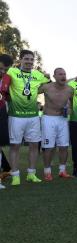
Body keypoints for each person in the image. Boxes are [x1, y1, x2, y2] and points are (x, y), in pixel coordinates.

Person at [7, 49, 50, 185]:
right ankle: (15, 175)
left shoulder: (38, 74)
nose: (29, 62)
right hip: (16, 116)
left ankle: (31, 174)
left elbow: (49, 85)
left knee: (34, 145)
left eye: (31, 60)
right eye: (26, 59)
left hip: (33, 116)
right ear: (20, 60)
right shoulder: (12, 72)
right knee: (15, 146)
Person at [40, 68, 73, 181]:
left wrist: (69, 109)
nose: (63, 76)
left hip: (62, 119)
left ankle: (62, 170)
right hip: (48, 118)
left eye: (64, 74)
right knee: (49, 147)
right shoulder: (46, 87)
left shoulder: (70, 89)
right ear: (54, 76)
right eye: (60, 74)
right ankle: (47, 172)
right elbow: (30, 90)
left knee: (64, 146)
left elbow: (72, 103)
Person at [0, 54, 12, 189]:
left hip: (1, 111)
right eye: (1, 68)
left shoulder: (8, 78)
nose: (3, 72)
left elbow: (8, 96)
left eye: (6, 70)